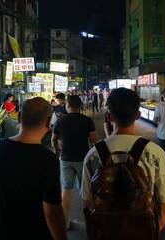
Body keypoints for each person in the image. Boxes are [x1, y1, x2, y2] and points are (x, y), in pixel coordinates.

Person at [82, 88, 165, 234]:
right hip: (142, 231)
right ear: (138, 115)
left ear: (109, 116)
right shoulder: (156, 154)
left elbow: (86, 205)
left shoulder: (93, 154)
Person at [0, 97, 67, 240]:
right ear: (48, 122)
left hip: (4, 231)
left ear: (19, 116)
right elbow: (52, 212)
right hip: (37, 232)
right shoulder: (47, 159)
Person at [51, 95, 97, 229]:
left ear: (68, 105)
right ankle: (89, 222)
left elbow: (54, 139)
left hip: (65, 159)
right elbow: (94, 140)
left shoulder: (60, 120)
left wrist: (56, 151)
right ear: (80, 105)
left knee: (66, 190)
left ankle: (65, 222)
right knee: (85, 192)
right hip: (83, 159)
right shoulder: (87, 120)